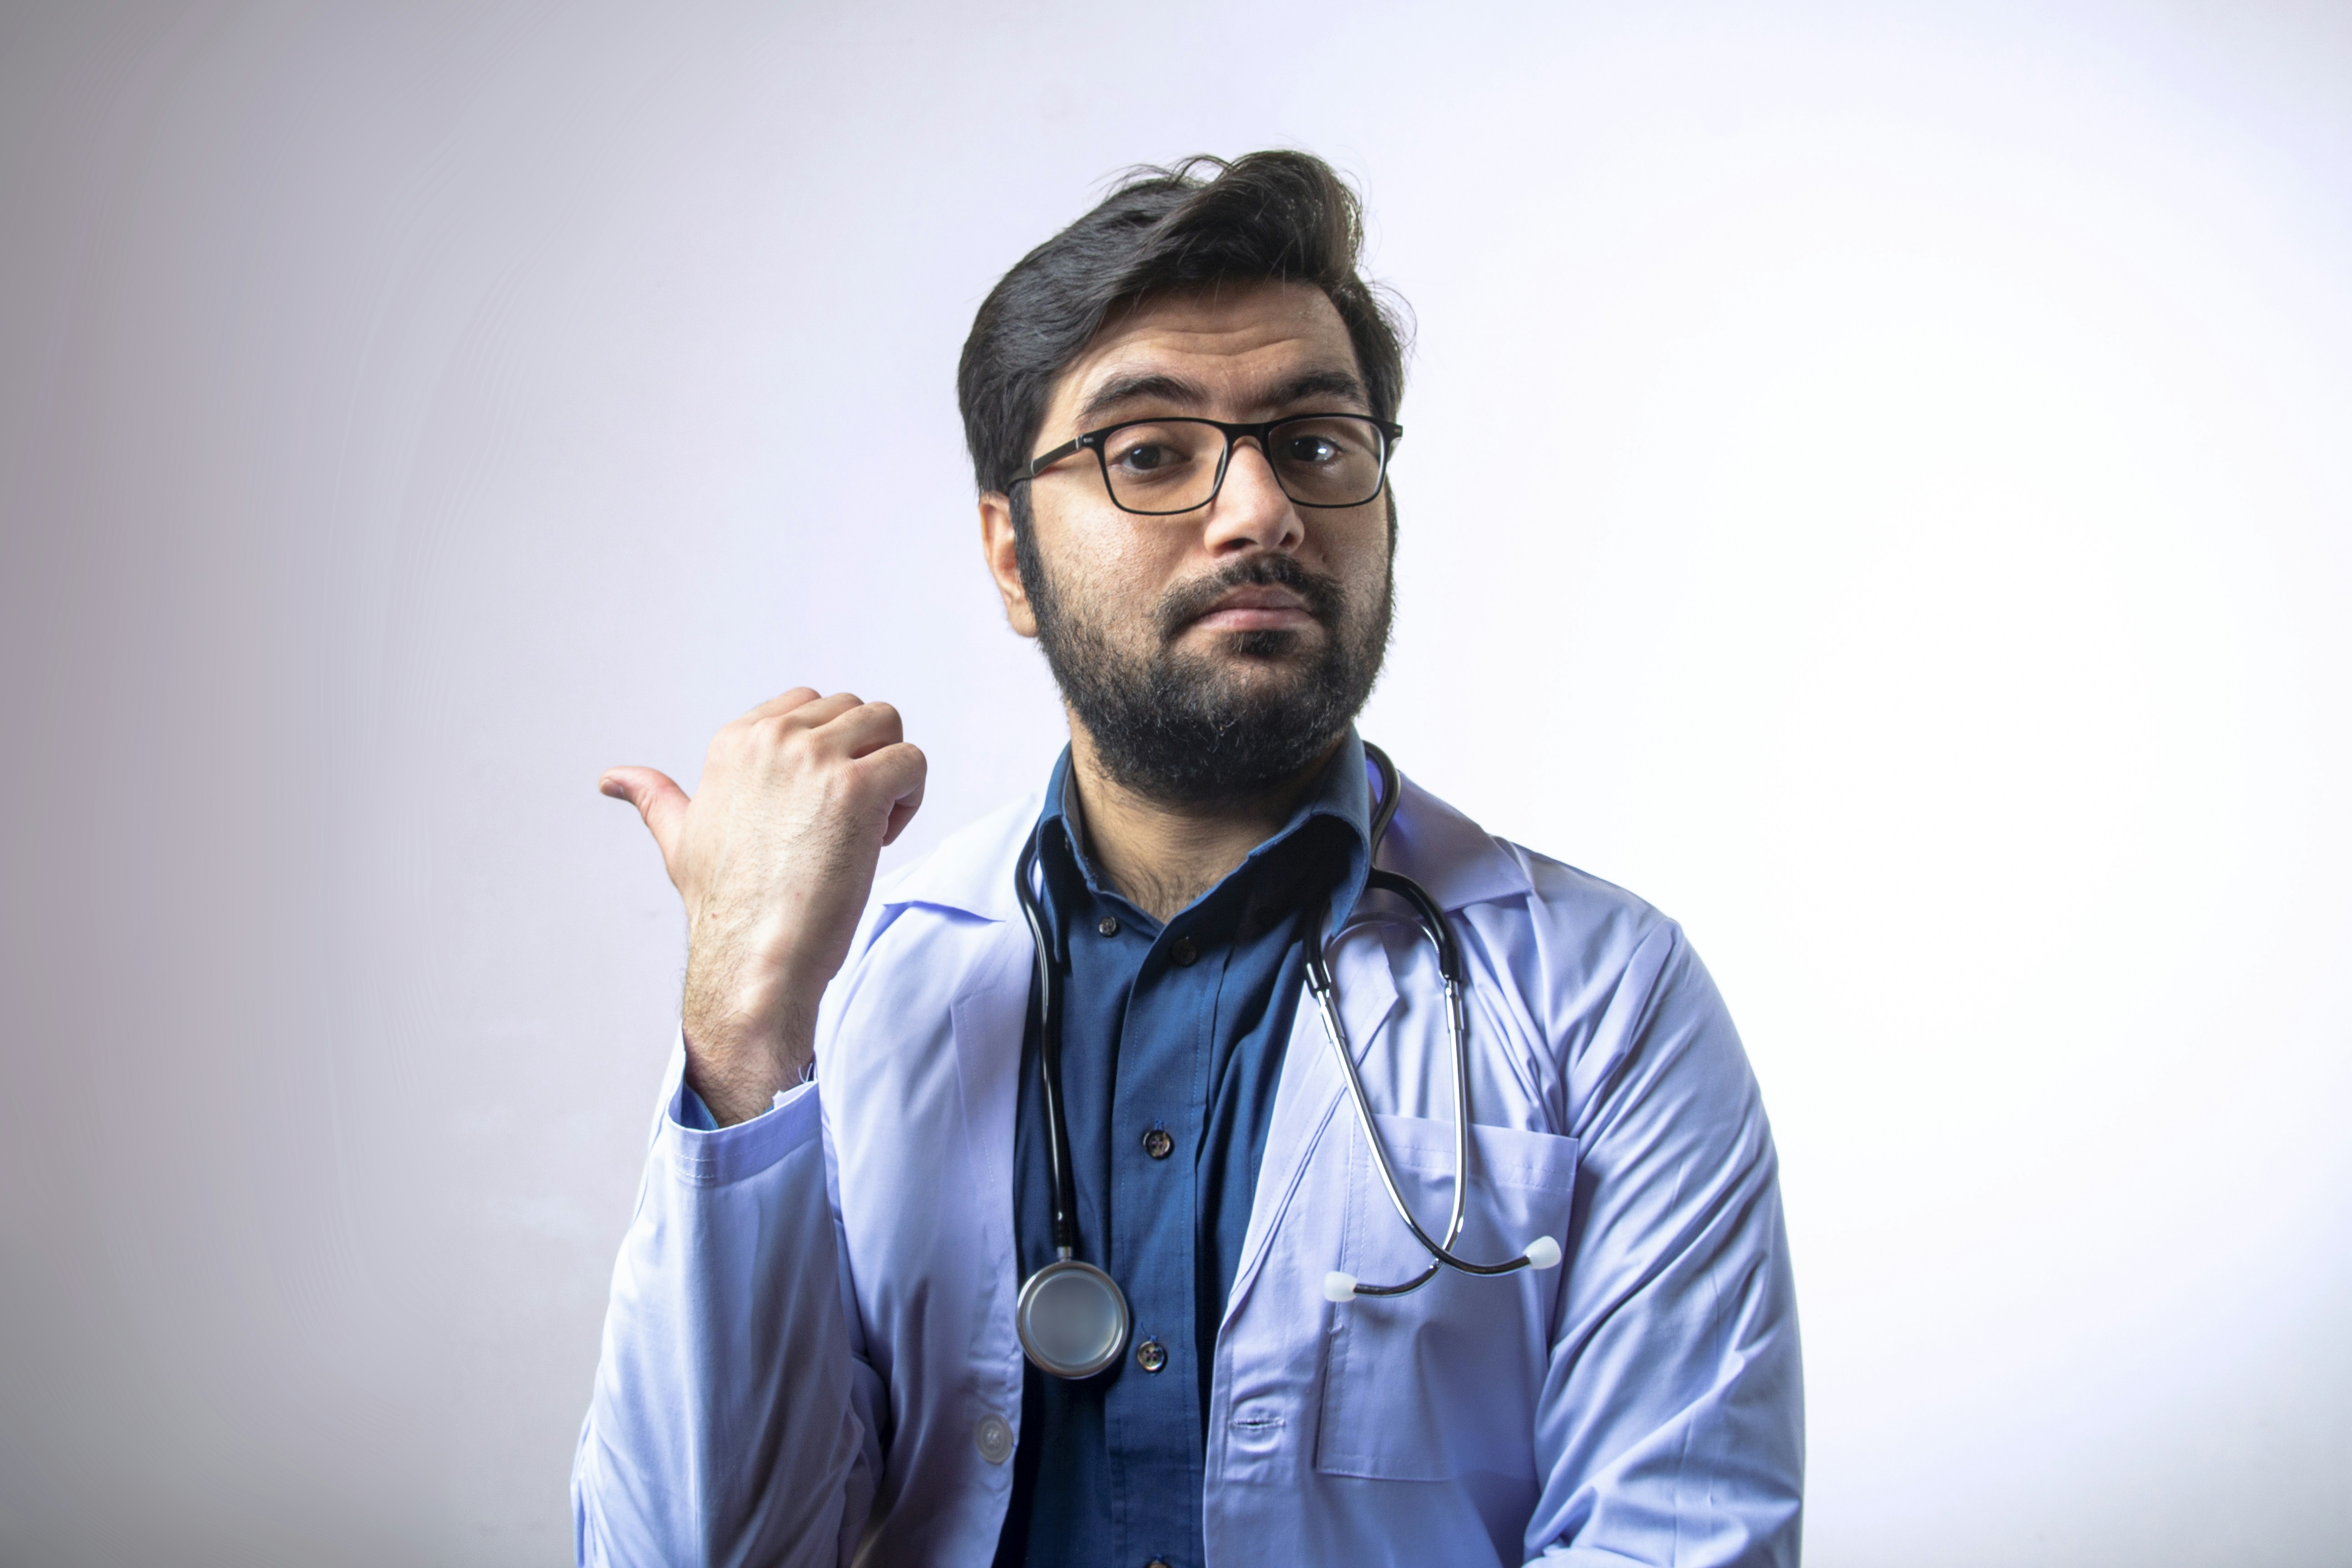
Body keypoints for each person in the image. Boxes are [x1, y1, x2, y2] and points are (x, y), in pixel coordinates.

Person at [573, 151, 1802, 1568]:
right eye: (1151, 452)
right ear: (1014, 560)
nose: (1261, 510)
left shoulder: (1608, 996)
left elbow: (1681, 1542)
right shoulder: (854, 993)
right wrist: (743, 1020)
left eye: (1317, 443)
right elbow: (693, 1555)